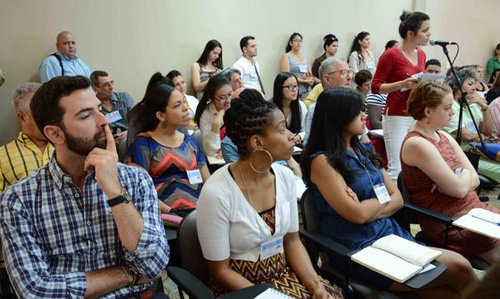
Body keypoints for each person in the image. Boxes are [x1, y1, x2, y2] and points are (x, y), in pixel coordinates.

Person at [0, 76, 169, 298]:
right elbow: (35, 292)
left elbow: (154, 265)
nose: (104, 121)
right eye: (86, 115)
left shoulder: (136, 180)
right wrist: (127, 274)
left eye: (99, 109)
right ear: (54, 133)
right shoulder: (19, 199)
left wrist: (114, 191)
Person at [300, 87, 477, 296]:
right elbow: (358, 215)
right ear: (339, 117)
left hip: (389, 234)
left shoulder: (363, 151)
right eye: (359, 112)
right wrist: (374, 207)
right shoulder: (322, 161)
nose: (365, 115)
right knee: (460, 267)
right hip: (357, 247)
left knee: (451, 291)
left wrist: (367, 207)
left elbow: (398, 199)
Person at [197, 93, 344, 299]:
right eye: (282, 130)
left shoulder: (284, 177)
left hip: (282, 274)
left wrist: (316, 285)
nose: (292, 135)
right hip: (242, 288)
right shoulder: (217, 193)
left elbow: (292, 242)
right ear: (257, 142)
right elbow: (220, 271)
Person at [401, 80, 500, 263]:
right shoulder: (417, 143)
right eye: (447, 108)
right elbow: (461, 190)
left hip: (475, 210)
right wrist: (461, 177)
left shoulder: (443, 135)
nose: (453, 112)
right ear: (428, 111)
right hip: (448, 222)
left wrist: (456, 179)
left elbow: (475, 179)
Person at [126, 72, 209, 216]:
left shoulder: (191, 142)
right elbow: (143, 191)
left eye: (184, 102)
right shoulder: (143, 144)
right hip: (167, 216)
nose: (186, 109)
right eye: (178, 105)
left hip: (201, 212)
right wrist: (173, 214)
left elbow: (208, 182)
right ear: (161, 115)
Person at [372, 10, 431, 181]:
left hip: (416, 114)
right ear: (410, 34)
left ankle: (409, 204)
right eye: (425, 30)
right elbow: (376, 87)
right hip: (396, 115)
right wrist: (402, 85)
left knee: (414, 164)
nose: (429, 34)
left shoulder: (422, 54)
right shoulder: (391, 54)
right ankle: (393, 205)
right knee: (396, 167)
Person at [442, 67, 500, 183]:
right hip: (463, 155)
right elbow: (467, 136)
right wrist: (482, 136)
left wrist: (485, 108)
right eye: (470, 84)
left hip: (480, 150)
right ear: (457, 85)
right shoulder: (451, 106)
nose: (474, 88)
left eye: (475, 84)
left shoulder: (472, 105)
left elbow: (487, 131)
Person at [0, 82, 54, 192]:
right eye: (40, 114)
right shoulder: (2, 157)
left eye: (51, 112)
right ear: (22, 117)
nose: (49, 119)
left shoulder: (69, 146)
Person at [303, 57, 354, 144]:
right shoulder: (316, 109)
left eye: (349, 72)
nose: (349, 77)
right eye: (343, 73)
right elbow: (310, 145)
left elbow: (364, 139)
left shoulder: (351, 104)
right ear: (327, 79)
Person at [90, 70, 135, 144]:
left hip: (131, 136)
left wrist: (127, 133)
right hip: (109, 142)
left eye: (112, 82)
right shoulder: (93, 107)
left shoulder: (124, 98)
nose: (111, 87)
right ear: (95, 88)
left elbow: (138, 121)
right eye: (106, 84)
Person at [194, 75, 232, 156]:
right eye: (222, 98)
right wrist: (216, 125)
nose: (228, 100)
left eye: (230, 94)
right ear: (212, 97)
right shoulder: (205, 115)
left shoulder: (235, 104)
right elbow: (210, 150)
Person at [272, 72, 307, 143]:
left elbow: (307, 129)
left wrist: (300, 136)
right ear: (279, 88)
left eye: (296, 86)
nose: (294, 90)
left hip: (296, 145)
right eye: (290, 86)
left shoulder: (300, 105)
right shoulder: (270, 108)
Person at [280, 32, 314, 100]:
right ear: (290, 43)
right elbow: (286, 77)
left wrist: (310, 80)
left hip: (307, 90)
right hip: (293, 90)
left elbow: (310, 75)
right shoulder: (286, 56)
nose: (298, 43)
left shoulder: (305, 57)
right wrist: (304, 81)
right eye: (296, 41)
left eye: (300, 41)